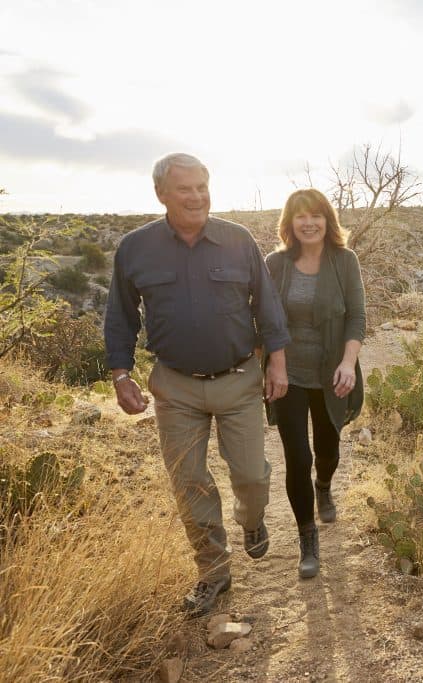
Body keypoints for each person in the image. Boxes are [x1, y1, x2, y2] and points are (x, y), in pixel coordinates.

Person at [104, 153, 290, 616]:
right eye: (184, 188)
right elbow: (121, 318)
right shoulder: (135, 249)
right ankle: (213, 572)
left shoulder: (237, 239)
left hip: (238, 379)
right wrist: (121, 374)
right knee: (189, 481)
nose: (196, 196)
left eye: (202, 186)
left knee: (250, 475)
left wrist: (277, 365)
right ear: (161, 194)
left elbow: (267, 307)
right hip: (176, 387)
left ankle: (251, 521)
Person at [265, 188, 366, 579]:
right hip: (286, 375)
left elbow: (357, 316)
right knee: (297, 457)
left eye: (316, 216)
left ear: (328, 220)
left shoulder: (344, 261)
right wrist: (269, 367)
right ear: (289, 223)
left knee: (327, 450)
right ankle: (307, 537)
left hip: (331, 375)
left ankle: (324, 486)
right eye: (300, 216)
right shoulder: (276, 263)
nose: (308, 223)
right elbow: (265, 318)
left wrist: (347, 362)